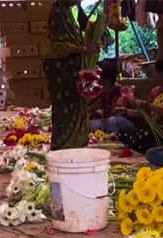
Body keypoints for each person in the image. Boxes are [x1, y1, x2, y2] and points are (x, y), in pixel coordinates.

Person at [43, 0, 100, 151]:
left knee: (77, 106)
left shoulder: (67, 11)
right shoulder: (58, 11)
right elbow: (58, 45)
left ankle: (77, 145)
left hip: (72, 68)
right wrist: (84, 49)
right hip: (61, 70)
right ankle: (64, 146)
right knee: (65, 108)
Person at [102, 58, 163, 154]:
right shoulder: (156, 91)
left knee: (143, 135)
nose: (152, 74)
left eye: (154, 71)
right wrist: (126, 111)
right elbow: (144, 113)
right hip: (149, 131)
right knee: (124, 132)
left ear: (161, 74)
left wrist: (145, 105)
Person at [88, 59, 123, 124]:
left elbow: (114, 113)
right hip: (107, 121)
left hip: (116, 122)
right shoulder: (105, 92)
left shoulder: (118, 90)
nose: (99, 83)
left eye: (102, 81)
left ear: (108, 81)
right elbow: (93, 108)